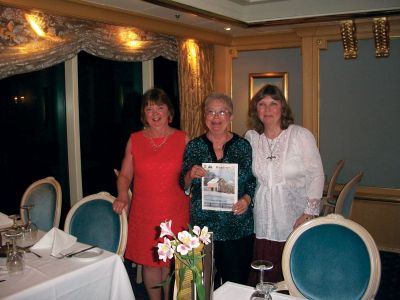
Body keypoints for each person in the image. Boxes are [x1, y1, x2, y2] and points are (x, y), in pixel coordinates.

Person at [113, 88, 189, 300]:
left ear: (169, 112)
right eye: (149, 109)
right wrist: (121, 195)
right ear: (143, 114)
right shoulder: (135, 140)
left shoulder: (183, 139)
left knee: (171, 263)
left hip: (175, 211)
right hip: (145, 212)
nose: (155, 113)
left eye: (160, 108)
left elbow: (191, 176)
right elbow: (125, 175)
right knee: (150, 263)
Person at [245, 84, 324, 284]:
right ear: (256, 110)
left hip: (294, 216)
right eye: (262, 104)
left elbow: (317, 175)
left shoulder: (299, 135)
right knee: (265, 273)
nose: (268, 109)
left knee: (294, 274)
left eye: (273, 103)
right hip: (263, 219)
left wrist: (309, 212)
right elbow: (244, 176)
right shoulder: (252, 138)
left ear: (283, 108)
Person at [181, 92, 256, 287]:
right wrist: (190, 174)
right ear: (204, 116)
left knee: (236, 283)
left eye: (222, 112)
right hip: (203, 227)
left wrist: (246, 201)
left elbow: (251, 182)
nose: (216, 117)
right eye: (211, 112)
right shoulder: (194, 146)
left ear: (231, 116)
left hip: (236, 226)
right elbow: (183, 184)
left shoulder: (243, 146)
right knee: (201, 285)